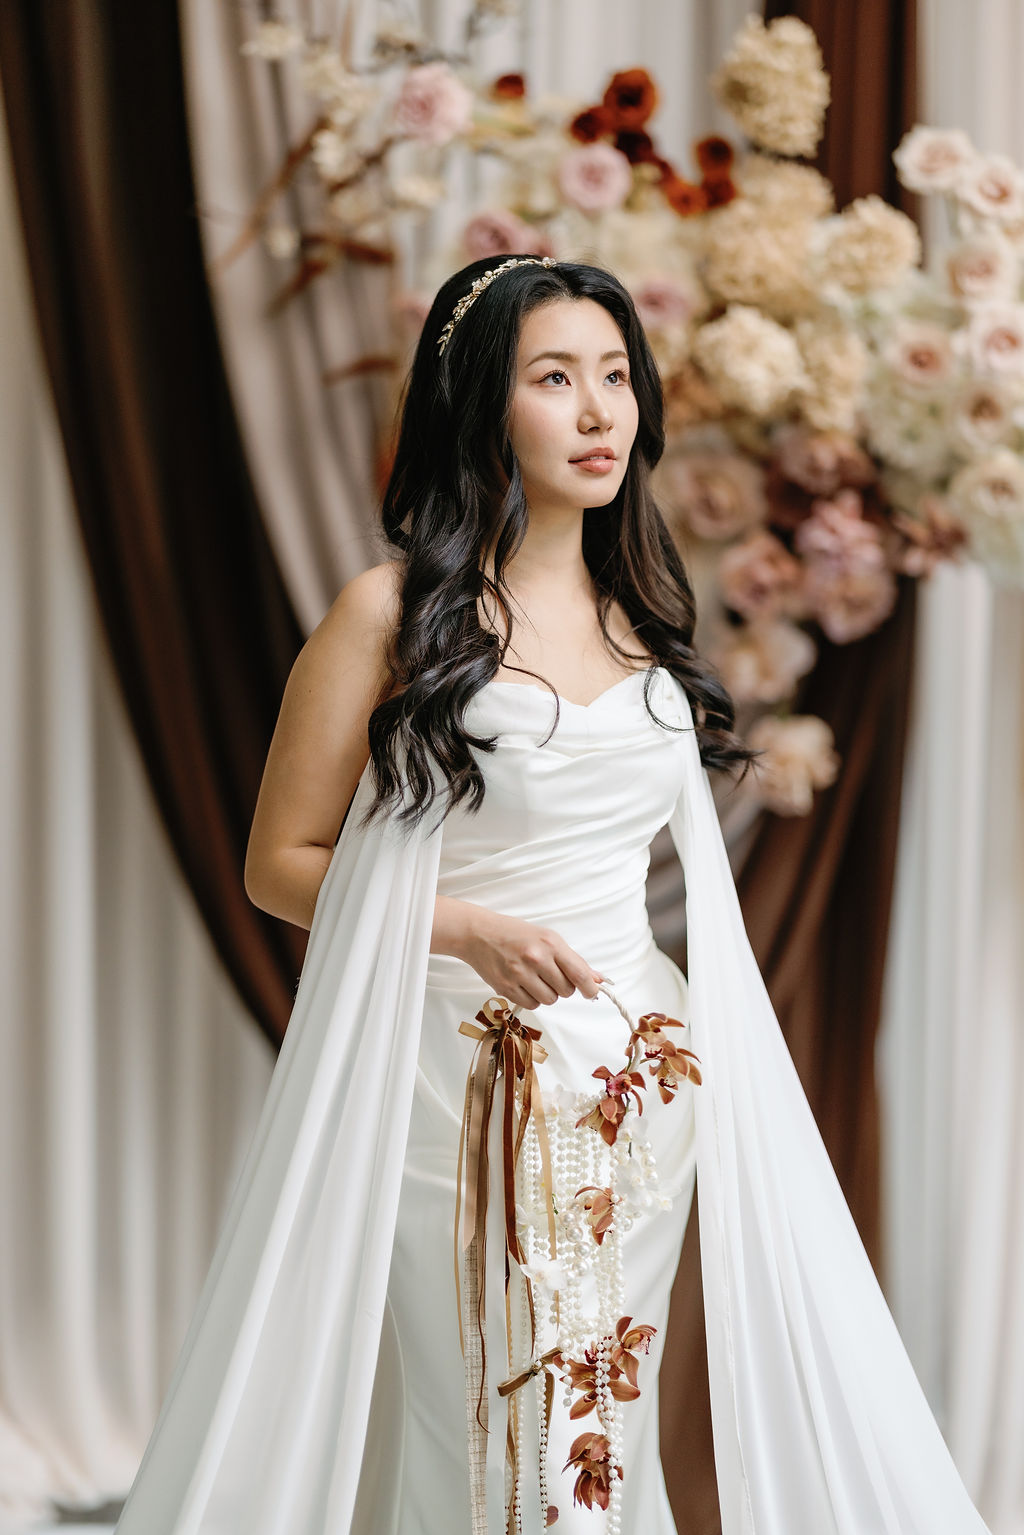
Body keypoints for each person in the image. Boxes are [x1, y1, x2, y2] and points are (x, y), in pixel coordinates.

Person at [111, 256, 993, 1535]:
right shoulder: (392, 614)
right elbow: (279, 860)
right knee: (494, 1419)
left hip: (639, 1078)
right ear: (484, 406)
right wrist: (463, 926)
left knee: (600, 1423)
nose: (598, 412)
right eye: (555, 379)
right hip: (454, 1078)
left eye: (616, 378)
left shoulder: (647, 611)